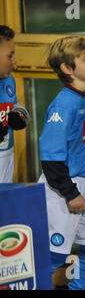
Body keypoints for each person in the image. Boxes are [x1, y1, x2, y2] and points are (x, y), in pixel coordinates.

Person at [38, 36, 85, 289]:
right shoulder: (62, 105)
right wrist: (70, 193)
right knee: (55, 254)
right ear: (67, 69)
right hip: (62, 187)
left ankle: (77, 288)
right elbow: (50, 158)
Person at [0, 25, 29, 183]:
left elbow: (15, 104)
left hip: (7, 158)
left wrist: (20, 115)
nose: (14, 61)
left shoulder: (8, 79)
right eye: (9, 56)